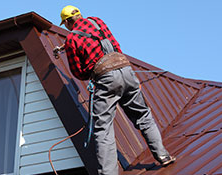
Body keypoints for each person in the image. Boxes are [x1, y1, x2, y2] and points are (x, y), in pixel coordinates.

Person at [58, 5, 176, 175]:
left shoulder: (71, 40)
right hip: (126, 70)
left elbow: (78, 71)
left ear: (68, 21)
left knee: (103, 129)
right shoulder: (96, 21)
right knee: (143, 115)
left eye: (66, 24)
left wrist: (92, 71)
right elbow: (114, 45)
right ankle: (163, 156)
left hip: (106, 78)